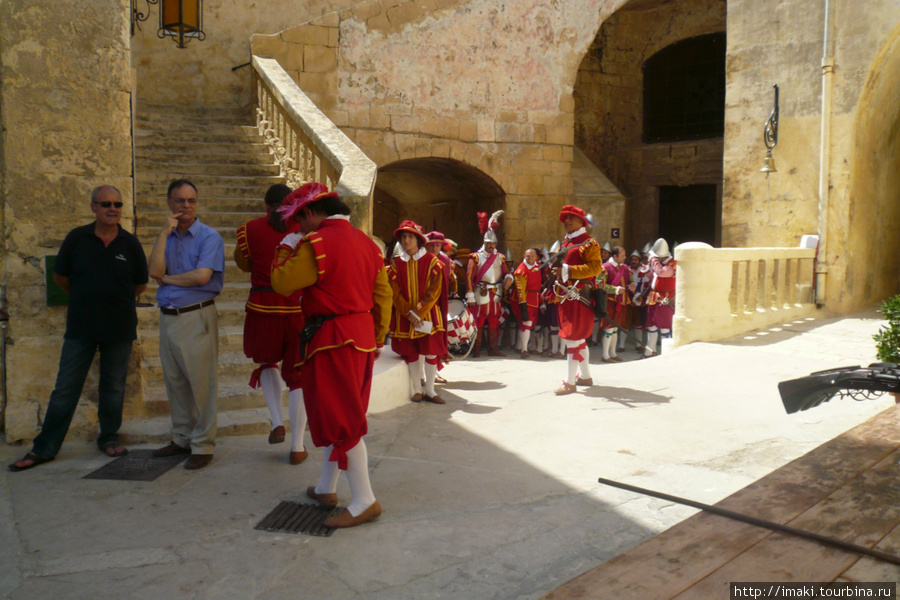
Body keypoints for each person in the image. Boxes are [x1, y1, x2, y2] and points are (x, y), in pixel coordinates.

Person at [270, 182, 391, 528]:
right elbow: (383, 295)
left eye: (299, 220)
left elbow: (282, 282)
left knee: (341, 418)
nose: (298, 228)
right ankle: (326, 487)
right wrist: (378, 335)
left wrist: (285, 248)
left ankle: (365, 500)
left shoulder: (316, 243)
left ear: (311, 212)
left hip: (331, 339)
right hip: (361, 336)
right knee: (337, 413)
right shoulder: (369, 245)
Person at [9, 186, 148, 471]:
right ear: (93, 207)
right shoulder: (77, 238)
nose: (113, 208)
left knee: (113, 388)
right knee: (65, 389)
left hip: (119, 327)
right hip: (81, 327)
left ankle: (108, 438)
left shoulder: (130, 243)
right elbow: (61, 277)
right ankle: (44, 448)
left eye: (118, 204)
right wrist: (86, 298)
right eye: (106, 204)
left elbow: (139, 285)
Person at [148, 179, 225, 470]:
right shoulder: (166, 236)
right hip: (168, 316)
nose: (186, 206)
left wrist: (166, 280)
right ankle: (181, 438)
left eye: (191, 200)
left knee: (202, 383)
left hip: (196, 315)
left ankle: (203, 445)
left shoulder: (209, 237)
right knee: (176, 382)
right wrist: (163, 232)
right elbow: (153, 270)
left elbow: (201, 277)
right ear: (170, 203)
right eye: (180, 200)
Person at [235, 183, 309, 464]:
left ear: (265, 206)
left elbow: (244, 264)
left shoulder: (248, 230)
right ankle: (298, 446)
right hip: (296, 309)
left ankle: (277, 421)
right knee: (298, 376)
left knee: (267, 363)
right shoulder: (303, 231)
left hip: (262, 308)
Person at [388, 222, 448, 404]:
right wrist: (409, 313)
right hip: (406, 317)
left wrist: (419, 312)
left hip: (428, 315)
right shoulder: (397, 265)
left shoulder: (432, 261)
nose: (406, 241)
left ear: (418, 240)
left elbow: (434, 291)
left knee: (430, 353)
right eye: (403, 237)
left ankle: (430, 390)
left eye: (410, 237)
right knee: (412, 353)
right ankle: (417, 389)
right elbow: (395, 293)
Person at [550, 205, 605, 395]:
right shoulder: (565, 243)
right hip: (565, 296)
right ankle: (585, 377)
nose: (567, 221)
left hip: (580, 296)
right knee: (577, 339)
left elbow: (596, 268)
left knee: (573, 339)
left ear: (582, 222)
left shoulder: (590, 243)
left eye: (571, 218)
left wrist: (568, 271)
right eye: (565, 218)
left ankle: (570, 383)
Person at [466, 210, 513, 357]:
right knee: (478, 322)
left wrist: (508, 278)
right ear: (484, 243)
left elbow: (505, 272)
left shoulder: (500, 257)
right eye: (489, 243)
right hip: (481, 291)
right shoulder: (476, 258)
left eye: (493, 243)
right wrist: (470, 295)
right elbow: (469, 277)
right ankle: (477, 348)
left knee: (494, 321)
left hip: (496, 292)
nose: (491, 245)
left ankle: (493, 348)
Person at [642, 238, 676, 359]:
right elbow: (657, 278)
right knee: (651, 325)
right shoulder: (662, 264)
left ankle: (665, 355)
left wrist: (652, 259)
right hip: (654, 296)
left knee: (664, 327)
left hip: (665, 299)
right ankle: (649, 352)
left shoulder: (671, 265)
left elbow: (661, 272)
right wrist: (648, 273)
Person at [600, 246, 632, 363]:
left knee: (615, 328)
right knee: (609, 328)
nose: (625, 257)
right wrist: (616, 290)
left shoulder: (625, 268)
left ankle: (612, 353)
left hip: (622, 301)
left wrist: (631, 286)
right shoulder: (604, 268)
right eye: (622, 255)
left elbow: (629, 281)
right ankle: (605, 355)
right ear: (615, 256)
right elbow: (600, 285)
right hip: (609, 301)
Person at [512, 248, 542, 358]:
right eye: (528, 256)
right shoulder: (521, 270)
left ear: (536, 257)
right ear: (524, 257)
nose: (530, 259)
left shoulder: (537, 265)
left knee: (528, 324)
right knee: (527, 323)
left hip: (535, 298)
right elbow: (520, 290)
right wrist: (523, 308)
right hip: (524, 299)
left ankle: (519, 346)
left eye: (532, 256)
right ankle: (524, 350)